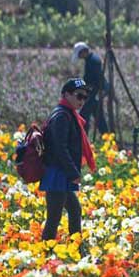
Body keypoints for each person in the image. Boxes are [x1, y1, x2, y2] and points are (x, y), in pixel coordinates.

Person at [40, 78, 97, 242]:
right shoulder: (62, 116)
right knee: (54, 217)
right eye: (79, 96)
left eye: (85, 97)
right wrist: (73, 172)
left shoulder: (68, 114)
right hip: (57, 173)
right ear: (66, 94)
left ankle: (76, 246)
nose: (82, 101)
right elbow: (60, 148)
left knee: (74, 209)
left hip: (61, 173)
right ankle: (45, 251)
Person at [72, 42, 109, 134]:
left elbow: (94, 79)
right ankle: (107, 137)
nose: (80, 57)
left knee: (84, 116)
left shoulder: (93, 61)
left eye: (80, 54)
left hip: (94, 92)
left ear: (83, 51)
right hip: (94, 92)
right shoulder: (91, 60)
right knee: (99, 117)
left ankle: (83, 139)